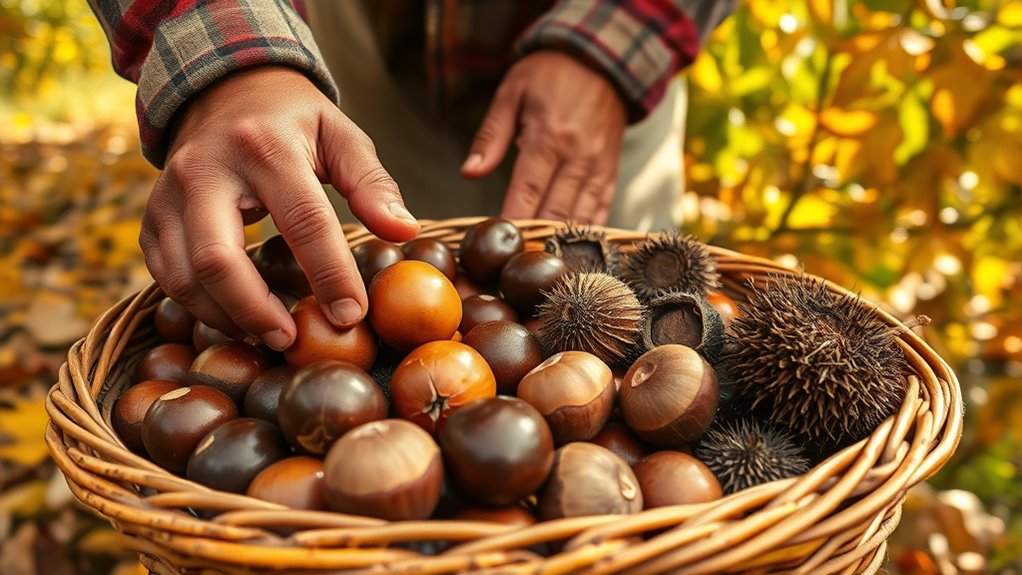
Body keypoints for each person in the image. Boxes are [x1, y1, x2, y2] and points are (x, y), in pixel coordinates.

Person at [88, 0, 735, 351]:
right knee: (346, 269)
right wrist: (226, 63)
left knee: (633, 312)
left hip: (604, 78)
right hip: (343, 38)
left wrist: (620, 36)